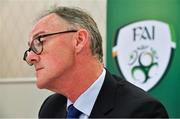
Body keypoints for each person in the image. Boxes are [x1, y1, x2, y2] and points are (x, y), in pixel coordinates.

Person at [23, 6, 168, 118]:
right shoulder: (50, 109)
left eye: (39, 41)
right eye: (29, 49)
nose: (30, 58)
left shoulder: (141, 111)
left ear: (79, 40)